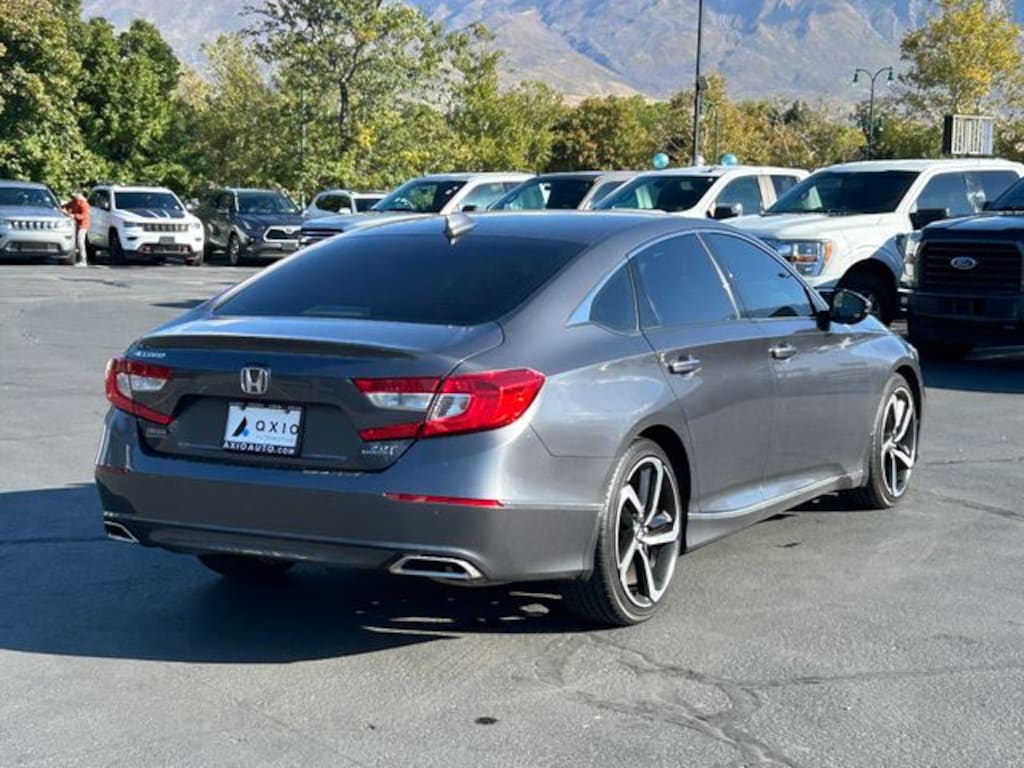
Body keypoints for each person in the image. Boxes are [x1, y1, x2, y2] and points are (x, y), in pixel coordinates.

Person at [62, 192, 90, 266]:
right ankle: (77, 259)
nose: (73, 197)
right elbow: (66, 206)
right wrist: (62, 209)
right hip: (75, 225)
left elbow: (84, 216)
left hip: (83, 226)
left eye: (75, 195)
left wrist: (74, 216)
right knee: (75, 243)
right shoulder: (74, 202)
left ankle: (83, 260)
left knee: (80, 241)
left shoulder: (84, 204)